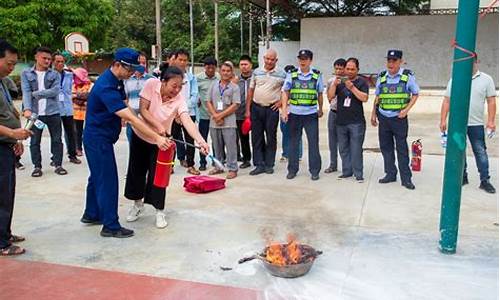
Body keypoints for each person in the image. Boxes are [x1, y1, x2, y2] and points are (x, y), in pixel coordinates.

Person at [80, 48, 169, 238]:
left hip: (102, 138)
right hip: (98, 140)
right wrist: (156, 137)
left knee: (96, 177)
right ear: (117, 64)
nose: (132, 73)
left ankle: (92, 214)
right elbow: (131, 118)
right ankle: (111, 226)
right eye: (129, 69)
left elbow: (128, 108)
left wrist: (148, 123)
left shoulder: (117, 81)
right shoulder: (106, 86)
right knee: (107, 180)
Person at [125, 66, 209, 228]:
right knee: (137, 171)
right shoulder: (151, 84)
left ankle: (159, 211)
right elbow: (143, 110)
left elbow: (187, 120)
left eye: (180, 86)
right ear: (163, 82)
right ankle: (137, 204)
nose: (177, 90)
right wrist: (158, 126)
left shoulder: (179, 99)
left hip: (162, 142)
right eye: (174, 86)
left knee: (159, 176)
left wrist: (200, 140)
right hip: (141, 136)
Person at [440, 54, 496, 194]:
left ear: (476, 62)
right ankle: (462, 177)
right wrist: (442, 119)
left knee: (480, 151)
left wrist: (491, 121)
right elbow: (447, 100)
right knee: (459, 151)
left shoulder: (486, 79)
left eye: (471, 62)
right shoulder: (455, 79)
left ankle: (485, 180)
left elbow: (491, 101)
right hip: (457, 124)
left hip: (475, 124)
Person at [0, 39, 32, 256]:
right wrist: (12, 134)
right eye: (9, 63)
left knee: (8, 192)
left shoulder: (2, 82)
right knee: (1, 194)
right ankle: (2, 243)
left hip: (7, 145)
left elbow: (9, 111)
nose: (12, 68)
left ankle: (5, 232)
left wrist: (16, 139)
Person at [370, 50, 419, 190]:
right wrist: (373, 114)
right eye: (389, 61)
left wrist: (406, 110)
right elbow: (378, 96)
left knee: (402, 148)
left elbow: (415, 94)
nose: (391, 64)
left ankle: (406, 178)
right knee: (386, 148)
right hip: (384, 117)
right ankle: (390, 173)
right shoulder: (382, 76)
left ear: (400, 62)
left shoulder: (407, 76)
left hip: (399, 118)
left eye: (394, 61)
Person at [21, 47, 67, 177]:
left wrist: (35, 93)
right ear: (36, 57)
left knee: (57, 140)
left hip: (53, 112)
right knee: (34, 141)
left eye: (49, 59)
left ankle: (58, 164)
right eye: (44, 58)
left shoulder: (55, 74)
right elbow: (25, 92)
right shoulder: (26, 74)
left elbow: (55, 91)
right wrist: (27, 109)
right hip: (35, 114)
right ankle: (37, 167)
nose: (47, 61)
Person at [281, 50, 324, 181]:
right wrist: (284, 110)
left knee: (313, 143)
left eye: (305, 59)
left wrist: (320, 108)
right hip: (294, 114)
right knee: (293, 142)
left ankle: (315, 170)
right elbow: (285, 92)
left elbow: (320, 93)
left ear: (310, 60)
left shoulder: (316, 75)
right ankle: (292, 170)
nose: (302, 61)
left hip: (311, 114)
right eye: (300, 58)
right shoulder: (292, 74)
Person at [245, 49, 286, 175]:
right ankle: (259, 164)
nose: (269, 61)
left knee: (271, 137)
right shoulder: (257, 72)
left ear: (276, 60)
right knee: (256, 137)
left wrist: (280, 103)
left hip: (271, 110)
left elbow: (287, 91)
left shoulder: (282, 74)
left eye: (272, 59)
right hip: (256, 108)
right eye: (267, 59)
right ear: (264, 58)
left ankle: (269, 164)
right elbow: (250, 91)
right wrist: (248, 110)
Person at [331, 57, 369, 182]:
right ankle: (347, 171)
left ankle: (358, 173)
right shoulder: (340, 81)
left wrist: (352, 88)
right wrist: (333, 85)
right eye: (347, 68)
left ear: (358, 69)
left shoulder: (362, 82)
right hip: (341, 121)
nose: (350, 71)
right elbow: (331, 97)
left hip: (356, 122)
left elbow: (364, 98)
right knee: (343, 148)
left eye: (353, 69)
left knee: (356, 148)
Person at [205, 61, 240, 179]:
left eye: (228, 71)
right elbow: (208, 101)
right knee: (216, 146)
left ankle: (232, 168)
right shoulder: (213, 85)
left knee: (231, 146)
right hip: (214, 122)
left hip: (228, 122)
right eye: (223, 70)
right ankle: (218, 166)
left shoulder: (234, 87)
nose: (225, 73)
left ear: (232, 73)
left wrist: (221, 116)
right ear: (219, 71)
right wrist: (215, 115)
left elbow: (235, 105)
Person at [170, 49, 200, 174]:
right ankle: (169, 165)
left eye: (185, 60)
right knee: (171, 141)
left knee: (190, 140)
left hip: (189, 114)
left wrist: (183, 111)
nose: (182, 62)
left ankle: (191, 165)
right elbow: (168, 96)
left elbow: (195, 96)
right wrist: (176, 112)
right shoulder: (169, 76)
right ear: (175, 60)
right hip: (172, 115)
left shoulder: (191, 77)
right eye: (180, 59)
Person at [52, 53, 81, 164]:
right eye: (57, 61)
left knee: (71, 132)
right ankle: (55, 157)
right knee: (56, 134)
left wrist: (72, 70)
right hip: (55, 108)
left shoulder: (69, 75)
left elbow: (81, 77)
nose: (60, 64)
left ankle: (72, 155)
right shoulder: (50, 75)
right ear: (53, 62)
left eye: (62, 61)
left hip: (67, 107)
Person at [124, 53, 154, 141]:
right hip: (131, 117)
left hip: (147, 118)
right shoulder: (127, 79)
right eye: (139, 63)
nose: (141, 65)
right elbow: (125, 98)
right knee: (132, 143)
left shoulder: (151, 79)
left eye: (144, 63)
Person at [325, 58, 347, 174]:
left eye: (341, 68)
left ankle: (346, 166)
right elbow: (329, 97)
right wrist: (334, 84)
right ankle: (333, 165)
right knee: (332, 141)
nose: (338, 71)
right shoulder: (330, 81)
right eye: (336, 68)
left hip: (345, 115)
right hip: (333, 112)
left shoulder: (349, 81)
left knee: (344, 142)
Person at [280, 64, 303, 163]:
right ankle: (285, 154)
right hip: (284, 113)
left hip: (296, 113)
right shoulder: (283, 86)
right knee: (285, 134)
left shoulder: (299, 84)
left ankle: (298, 154)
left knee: (297, 134)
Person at [236, 55, 253, 169]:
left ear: (251, 65)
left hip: (255, 112)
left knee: (258, 137)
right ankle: (246, 159)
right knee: (243, 137)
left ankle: (260, 159)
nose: (244, 67)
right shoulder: (236, 80)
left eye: (246, 64)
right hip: (240, 114)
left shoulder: (256, 78)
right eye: (242, 64)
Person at [72, 68, 92, 156]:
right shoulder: (73, 85)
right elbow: (71, 95)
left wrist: (77, 96)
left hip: (88, 112)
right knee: (77, 132)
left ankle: (90, 148)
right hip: (76, 113)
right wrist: (82, 98)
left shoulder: (91, 85)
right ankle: (78, 148)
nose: (75, 78)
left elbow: (89, 96)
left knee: (89, 131)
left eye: (77, 76)